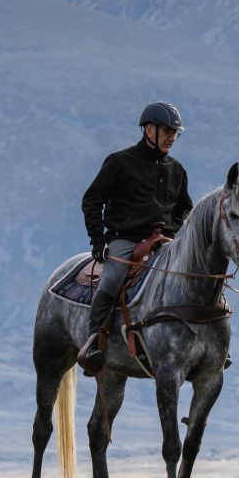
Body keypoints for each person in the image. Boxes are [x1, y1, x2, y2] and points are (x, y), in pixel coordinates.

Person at [80, 102, 193, 356]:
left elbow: (185, 210)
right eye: (167, 131)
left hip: (165, 241)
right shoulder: (120, 162)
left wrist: (175, 235)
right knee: (110, 279)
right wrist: (97, 239)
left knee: (196, 275)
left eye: (176, 133)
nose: (172, 138)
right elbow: (92, 200)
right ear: (149, 131)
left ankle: (211, 341)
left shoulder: (177, 170)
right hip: (126, 240)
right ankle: (93, 343)